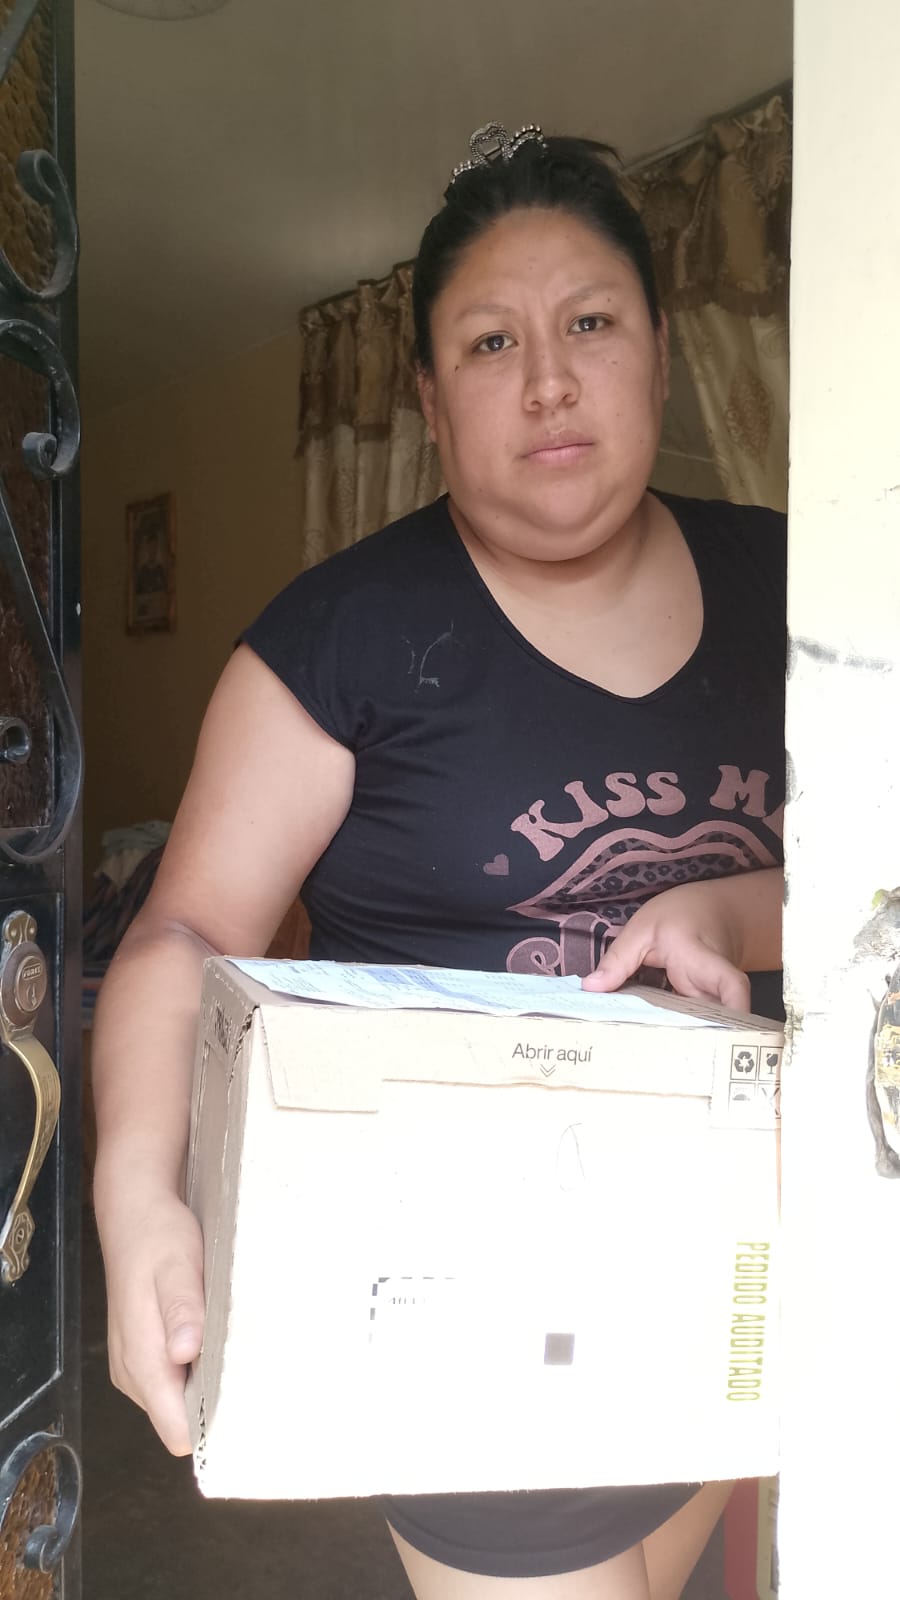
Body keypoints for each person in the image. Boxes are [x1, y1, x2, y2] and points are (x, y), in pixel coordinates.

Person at [92, 123, 785, 1600]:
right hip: (471, 1316)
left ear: (661, 350)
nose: (548, 380)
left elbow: (875, 890)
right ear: (427, 395)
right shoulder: (341, 640)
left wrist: (732, 904)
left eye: (590, 322)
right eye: (490, 341)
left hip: (750, 1274)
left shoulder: (796, 583)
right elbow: (185, 929)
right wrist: (135, 1194)